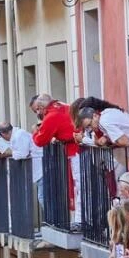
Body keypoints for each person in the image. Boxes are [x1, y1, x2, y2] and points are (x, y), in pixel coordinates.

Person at [32, 94, 80, 227]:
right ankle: (80, 220)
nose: (37, 113)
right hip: (78, 147)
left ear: (41, 107)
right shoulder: (63, 105)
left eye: (37, 110)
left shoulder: (51, 116)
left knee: (78, 187)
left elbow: (40, 140)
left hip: (75, 150)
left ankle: (80, 221)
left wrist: (35, 132)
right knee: (78, 186)